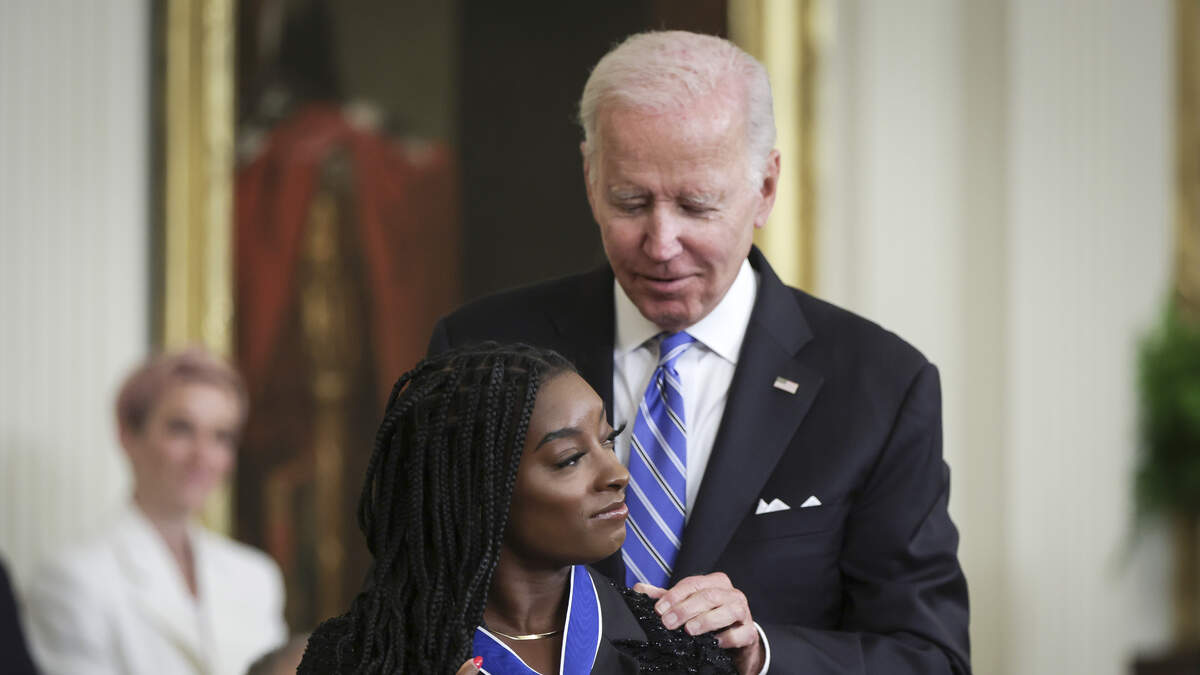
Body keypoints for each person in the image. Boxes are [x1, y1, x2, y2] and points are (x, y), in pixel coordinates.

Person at [428, 31, 971, 674]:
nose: (661, 243)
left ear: (765, 187)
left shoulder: (882, 385)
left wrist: (759, 655)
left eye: (697, 205)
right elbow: (410, 602)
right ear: (590, 178)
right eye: (631, 202)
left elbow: (928, 657)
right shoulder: (479, 351)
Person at [298, 343, 736, 674]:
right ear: (481, 487)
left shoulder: (675, 645)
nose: (618, 474)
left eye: (607, 440)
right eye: (569, 459)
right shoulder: (359, 657)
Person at [23, 348, 287, 675]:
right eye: (181, 429)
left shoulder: (257, 578)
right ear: (128, 435)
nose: (203, 456)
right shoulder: (73, 580)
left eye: (221, 437)